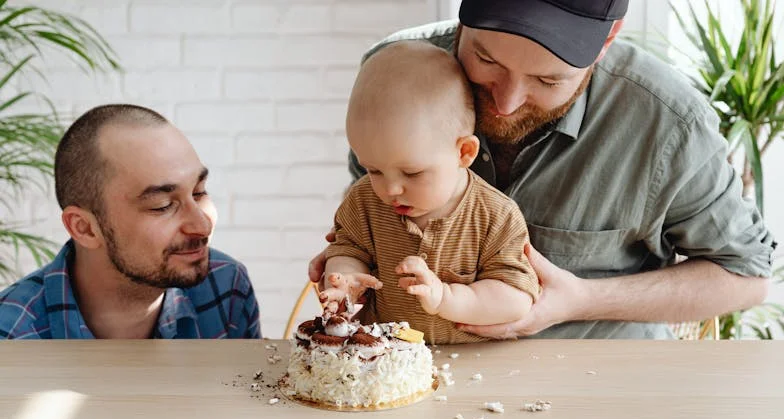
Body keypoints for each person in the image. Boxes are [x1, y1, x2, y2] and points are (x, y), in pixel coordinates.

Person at [310, 0, 777, 340]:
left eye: (548, 78)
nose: (506, 101)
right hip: (412, 378)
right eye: (486, 59)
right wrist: (352, 260)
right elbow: (372, 219)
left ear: (606, 40)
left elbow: (748, 276)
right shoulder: (395, 75)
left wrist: (583, 298)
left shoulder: (668, 123)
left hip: (596, 394)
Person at [318, 40, 539, 344]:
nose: (391, 189)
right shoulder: (364, 200)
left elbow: (516, 298)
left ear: (464, 152)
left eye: (413, 173)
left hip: (473, 368)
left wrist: (446, 297)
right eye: (374, 170)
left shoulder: (496, 215)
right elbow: (347, 249)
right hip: (383, 362)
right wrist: (345, 281)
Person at [0, 104, 261, 339]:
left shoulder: (227, 288)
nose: (202, 226)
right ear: (85, 228)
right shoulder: (11, 334)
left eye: (199, 192)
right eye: (163, 205)